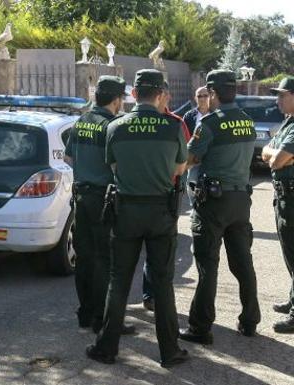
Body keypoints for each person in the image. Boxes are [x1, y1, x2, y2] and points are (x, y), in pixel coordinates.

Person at [86, 69, 189, 368]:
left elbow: (114, 168)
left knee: (118, 282)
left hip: (126, 211)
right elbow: (180, 169)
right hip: (160, 212)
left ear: (133, 94)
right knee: (162, 283)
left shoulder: (116, 127)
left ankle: (106, 348)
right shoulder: (173, 127)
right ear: (160, 95)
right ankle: (169, 352)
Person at [180, 70, 260, 345]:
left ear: (213, 93)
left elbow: (189, 159)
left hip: (213, 203)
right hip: (241, 201)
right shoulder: (248, 122)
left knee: (207, 266)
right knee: (243, 263)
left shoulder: (211, 123)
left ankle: (200, 328)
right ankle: (250, 321)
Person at [64, 75, 135, 335]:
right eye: (121, 100)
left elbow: (69, 157)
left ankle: (85, 313)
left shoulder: (80, 122)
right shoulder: (112, 126)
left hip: (81, 197)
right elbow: (118, 166)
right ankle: (102, 318)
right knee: (106, 260)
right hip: (104, 199)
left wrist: (86, 170)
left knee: (84, 257)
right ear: (116, 100)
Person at [142, 81, 191, 312]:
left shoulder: (177, 124)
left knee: (162, 251)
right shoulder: (138, 122)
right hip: (141, 193)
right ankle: (150, 293)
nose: (165, 98)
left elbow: (184, 162)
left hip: (166, 195)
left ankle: (157, 295)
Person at [261, 76, 294, 333]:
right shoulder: (287, 123)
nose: (278, 99)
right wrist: (274, 154)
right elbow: (265, 151)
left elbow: (276, 160)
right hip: (284, 197)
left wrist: (274, 155)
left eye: (283, 95)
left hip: (292, 198)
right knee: (289, 253)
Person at [184, 87, 211, 203]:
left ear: (210, 97)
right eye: (200, 96)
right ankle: (194, 205)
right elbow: (185, 136)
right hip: (195, 157)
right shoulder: (189, 116)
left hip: (212, 156)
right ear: (195, 98)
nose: (203, 98)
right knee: (191, 181)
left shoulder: (216, 114)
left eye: (205, 95)